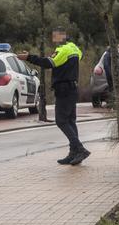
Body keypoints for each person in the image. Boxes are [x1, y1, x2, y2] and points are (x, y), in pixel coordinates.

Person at [18, 30, 90, 165]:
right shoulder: (74, 49)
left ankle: (80, 149)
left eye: (55, 37)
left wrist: (28, 57)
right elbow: (78, 57)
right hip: (73, 88)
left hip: (64, 89)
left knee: (61, 121)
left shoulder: (62, 50)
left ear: (60, 38)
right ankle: (73, 152)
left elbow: (48, 63)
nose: (54, 40)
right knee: (70, 121)